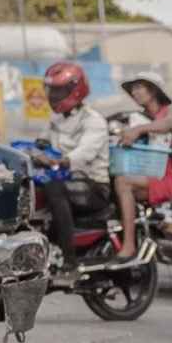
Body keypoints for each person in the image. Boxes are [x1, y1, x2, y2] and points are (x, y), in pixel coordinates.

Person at [39, 61, 110, 269]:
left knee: (53, 188)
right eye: (51, 89)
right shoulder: (57, 118)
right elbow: (42, 141)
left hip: (94, 186)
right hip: (67, 180)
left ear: (75, 91)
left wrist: (60, 161)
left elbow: (84, 153)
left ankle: (69, 258)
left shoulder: (93, 120)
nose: (53, 95)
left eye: (58, 90)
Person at [114, 72, 172, 260]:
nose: (134, 92)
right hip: (153, 175)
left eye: (139, 87)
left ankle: (129, 245)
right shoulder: (142, 118)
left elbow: (168, 124)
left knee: (123, 182)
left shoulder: (171, 111)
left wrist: (137, 130)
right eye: (133, 89)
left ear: (153, 90)